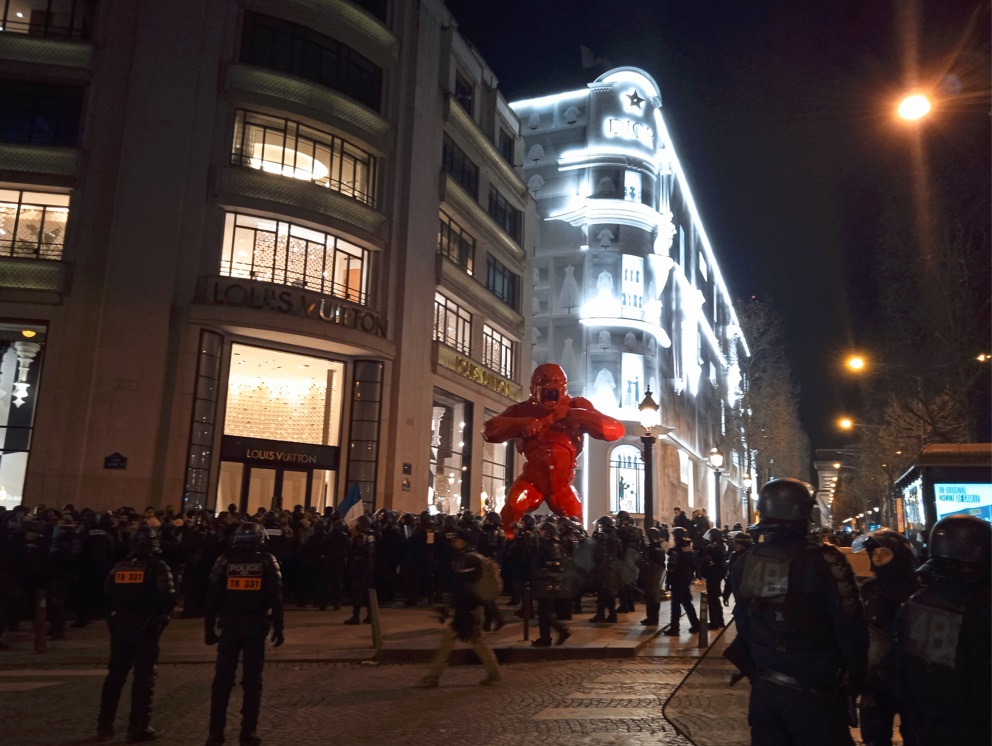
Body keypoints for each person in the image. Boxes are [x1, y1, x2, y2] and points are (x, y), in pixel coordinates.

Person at [728, 478, 867, 746]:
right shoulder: (825, 561)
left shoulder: (746, 560)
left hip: (765, 689)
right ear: (804, 513)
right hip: (816, 693)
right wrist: (854, 682)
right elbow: (852, 629)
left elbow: (743, 622)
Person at [482, 364, 625, 536]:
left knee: (576, 526)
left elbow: (616, 430)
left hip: (562, 485)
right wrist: (521, 423)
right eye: (544, 386)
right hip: (533, 480)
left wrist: (582, 416)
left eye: (554, 385)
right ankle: (504, 553)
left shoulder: (576, 405)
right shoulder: (522, 410)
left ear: (564, 388)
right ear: (533, 389)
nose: (549, 390)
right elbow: (488, 431)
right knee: (513, 509)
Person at [892, 514, 991, 746]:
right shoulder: (980, 610)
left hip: (925, 727)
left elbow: (899, 674)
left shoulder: (913, 605)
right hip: (974, 729)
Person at [204, 522, 284, 746]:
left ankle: (215, 733)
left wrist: (209, 629)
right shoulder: (268, 561)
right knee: (252, 682)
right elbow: (276, 598)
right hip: (255, 627)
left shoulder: (224, 561)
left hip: (229, 626)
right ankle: (248, 733)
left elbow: (211, 598)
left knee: (222, 681)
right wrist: (279, 628)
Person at [96, 524, 176, 743]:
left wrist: (115, 622)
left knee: (115, 677)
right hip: (146, 628)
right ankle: (138, 726)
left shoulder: (119, 567)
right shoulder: (158, 567)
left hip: (122, 627)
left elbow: (106, 596)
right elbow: (168, 597)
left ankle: (104, 725)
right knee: (144, 678)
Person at [850, 527, 919, 746]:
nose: (878, 559)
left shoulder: (919, 590)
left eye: (885, 554)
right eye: (874, 555)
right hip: (876, 683)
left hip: (913, 680)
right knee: (874, 736)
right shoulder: (867, 590)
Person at [415, 528, 501, 687]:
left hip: (468, 607)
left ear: (465, 541)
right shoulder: (467, 557)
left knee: (452, 641)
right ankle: (493, 673)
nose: (454, 542)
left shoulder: (468, 560)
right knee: (476, 642)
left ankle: (433, 677)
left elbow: (466, 587)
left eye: (458, 539)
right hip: (469, 607)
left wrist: (454, 606)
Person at [530, 521, 571, 646]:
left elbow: (555, 563)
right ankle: (545, 638)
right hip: (548, 580)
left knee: (544, 611)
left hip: (546, 581)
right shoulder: (553, 544)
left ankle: (561, 630)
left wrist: (542, 568)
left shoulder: (548, 545)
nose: (540, 533)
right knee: (544, 611)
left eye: (542, 530)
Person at [663, 525, 699, 636]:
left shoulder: (677, 549)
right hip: (685, 579)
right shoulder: (687, 548)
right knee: (686, 602)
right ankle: (696, 624)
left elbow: (673, 566)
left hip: (678, 579)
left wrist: (669, 581)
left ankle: (675, 628)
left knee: (676, 604)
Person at [699, 528, 728, 629]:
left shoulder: (711, 547)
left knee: (712, 598)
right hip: (718, 574)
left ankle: (714, 622)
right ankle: (720, 621)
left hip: (712, 574)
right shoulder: (721, 546)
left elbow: (704, 560)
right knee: (715, 598)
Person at [639, 526, 667, 626]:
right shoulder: (660, 547)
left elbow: (645, 561)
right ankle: (654, 618)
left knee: (651, 595)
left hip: (651, 573)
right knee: (654, 595)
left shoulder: (650, 548)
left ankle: (652, 618)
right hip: (657, 573)